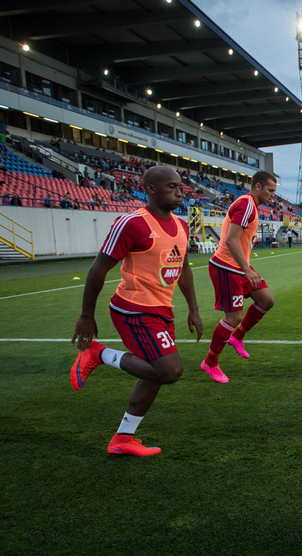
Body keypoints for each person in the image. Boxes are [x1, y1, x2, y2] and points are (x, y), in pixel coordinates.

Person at [69, 167, 203, 456]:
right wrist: (86, 315)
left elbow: (184, 269)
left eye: (180, 187)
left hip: (162, 310)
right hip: (134, 309)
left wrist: (193, 309)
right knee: (170, 371)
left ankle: (122, 439)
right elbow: (99, 267)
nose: (179, 192)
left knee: (154, 374)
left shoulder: (181, 225)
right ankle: (99, 354)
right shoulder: (132, 223)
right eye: (171, 187)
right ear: (150, 189)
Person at [201, 171, 279, 382]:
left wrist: (245, 268)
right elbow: (231, 240)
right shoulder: (246, 205)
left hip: (238, 266)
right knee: (233, 317)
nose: (273, 195)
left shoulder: (251, 205)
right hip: (227, 267)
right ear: (258, 187)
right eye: (270, 190)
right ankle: (210, 362)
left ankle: (237, 337)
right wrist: (247, 269)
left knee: (266, 301)